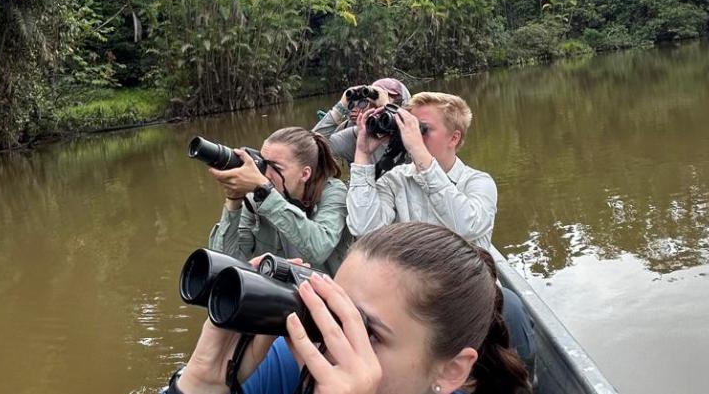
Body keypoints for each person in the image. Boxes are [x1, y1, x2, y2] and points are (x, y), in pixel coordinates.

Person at [167, 222, 531, 394]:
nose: (329, 338)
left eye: (367, 331)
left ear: (450, 371)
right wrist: (202, 384)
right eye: (331, 307)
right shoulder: (289, 359)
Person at [346, 92, 497, 250]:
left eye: (422, 128)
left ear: (454, 138)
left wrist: (419, 152)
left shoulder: (479, 183)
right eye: (410, 126)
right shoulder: (395, 180)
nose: (412, 135)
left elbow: (466, 227)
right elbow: (365, 230)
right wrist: (363, 154)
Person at [208, 127, 352, 276]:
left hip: (325, 293)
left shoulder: (334, 193)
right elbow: (224, 265)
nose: (266, 175)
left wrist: (265, 192)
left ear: (304, 173)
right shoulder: (256, 200)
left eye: (276, 168)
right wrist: (234, 200)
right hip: (279, 294)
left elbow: (318, 249)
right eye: (264, 164)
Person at [312, 78, 410, 165]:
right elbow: (310, 149)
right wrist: (339, 109)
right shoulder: (359, 136)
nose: (378, 111)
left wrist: (386, 106)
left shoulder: (414, 134)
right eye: (371, 103)